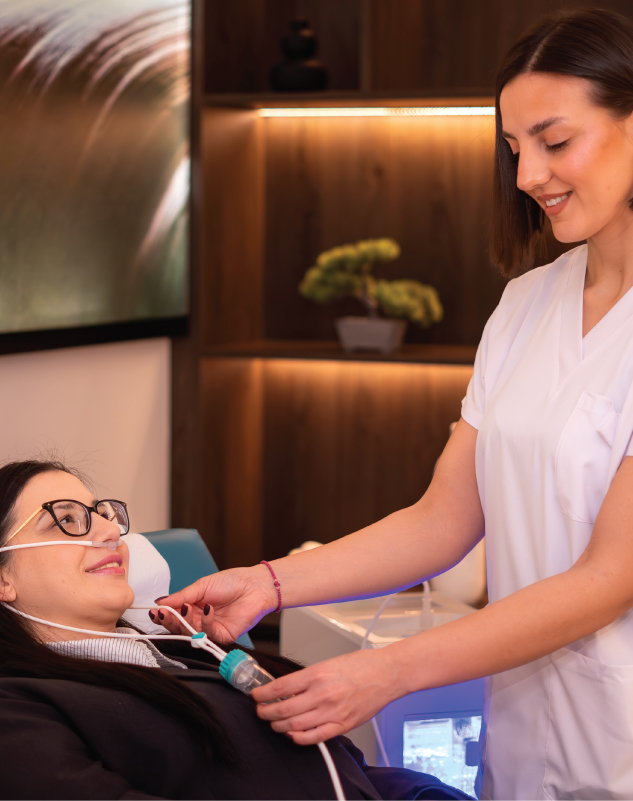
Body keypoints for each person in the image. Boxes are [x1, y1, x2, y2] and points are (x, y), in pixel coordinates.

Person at [155, 9, 633, 800]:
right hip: (523, 748)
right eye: (513, 148)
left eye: (554, 141)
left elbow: (609, 578)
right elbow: (442, 518)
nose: (526, 176)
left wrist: (386, 672)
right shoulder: (525, 304)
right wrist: (270, 582)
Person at [0, 459, 472, 800]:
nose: (109, 532)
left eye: (103, 515)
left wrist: (420, 793)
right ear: (4, 579)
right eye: (65, 520)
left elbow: (341, 767)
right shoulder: (18, 709)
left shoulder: (192, 653)